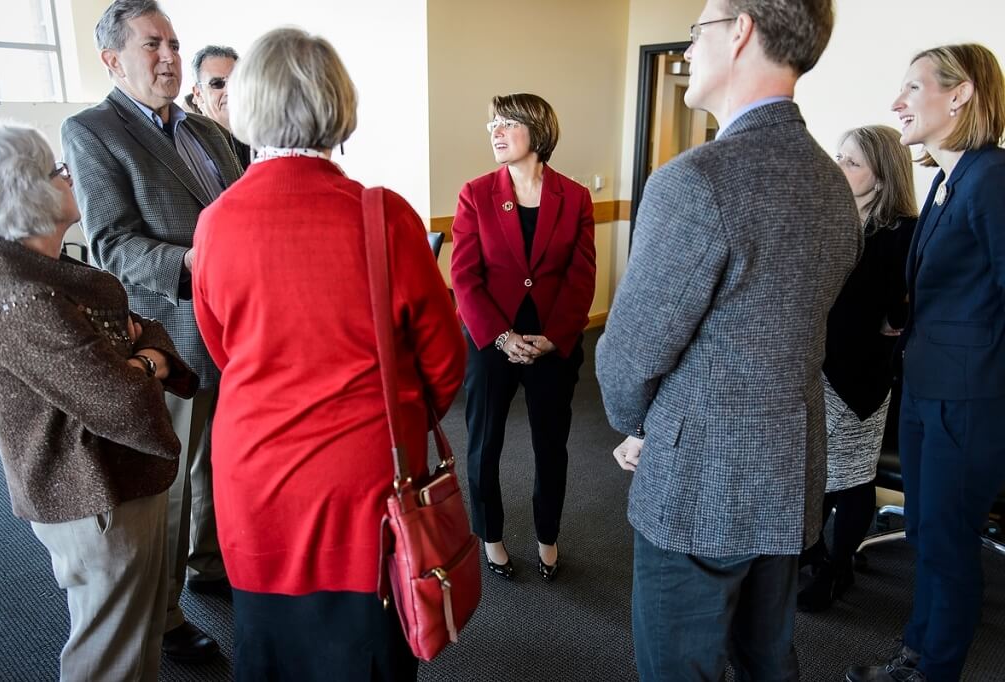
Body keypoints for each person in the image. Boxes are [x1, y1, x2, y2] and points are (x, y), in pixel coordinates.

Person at [596, 0, 862, 678]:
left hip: (698, 478)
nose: (687, 50)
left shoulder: (696, 181)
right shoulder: (834, 185)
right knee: (766, 659)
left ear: (740, 29)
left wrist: (638, 424)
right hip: (789, 469)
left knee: (679, 665)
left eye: (698, 29)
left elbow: (629, 355)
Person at [190, 28, 465, 681]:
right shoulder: (384, 216)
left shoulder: (216, 222)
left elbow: (223, 348)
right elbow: (446, 362)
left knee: (269, 649)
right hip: (363, 486)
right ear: (338, 107)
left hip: (253, 480)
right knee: (365, 652)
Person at [61, 0, 244, 662]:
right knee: (167, 483)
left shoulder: (209, 132)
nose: (168, 56)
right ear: (112, 60)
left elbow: (241, 210)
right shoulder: (92, 130)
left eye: (173, 42)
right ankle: (166, 617)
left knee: (219, 460)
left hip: (235, 326)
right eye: (151, 45)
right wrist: (196, 264)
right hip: (168, 330)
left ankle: (209, 564)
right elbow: (111, 243)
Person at [0, 123, 197, 680]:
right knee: (109, 654)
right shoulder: (21, 295)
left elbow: (144, 327)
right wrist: (149, 361)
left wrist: (138, 355)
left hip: (115, 480)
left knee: (137, 636)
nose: (69, 175)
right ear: (22, 191)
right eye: (56, 171)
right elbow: (121, 399)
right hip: (90, 492)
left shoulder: (51, 273)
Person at [846, 43, 1005, 682]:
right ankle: (916, 651)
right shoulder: (948, 180)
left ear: (961, 93)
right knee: (925, 535)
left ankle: (933, 671)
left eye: (912, 89)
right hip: (928, 386)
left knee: (946, 540)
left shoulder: (993, 177)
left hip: (967, 397)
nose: (897, 104)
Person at [450, 93, 595, 582]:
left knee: (551, 446)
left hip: (553, 347)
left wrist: (555, 337)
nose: (495, 130)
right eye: (491, 122)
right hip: (493, 343)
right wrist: (500, 336)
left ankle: (547, 537)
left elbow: (581, 277)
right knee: (483, 444)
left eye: (507, 122)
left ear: (538, 130)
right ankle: (490, 536)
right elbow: (465, 277)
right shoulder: (475, 193)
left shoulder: (574, 197)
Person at [797, 125, 917, 613]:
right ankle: (812, 552)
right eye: (839, 156)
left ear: (882, 174)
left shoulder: (900, 230)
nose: (838, 166)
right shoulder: (831, 216)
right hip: (814, 364)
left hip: (858, 375)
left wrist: (894, 319)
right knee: (812, 471)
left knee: (849, 477)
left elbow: (904, 302)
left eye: (851, 161)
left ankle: (837, 567)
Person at [191, 45, 251, 170]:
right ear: (198, 94)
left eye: (236, 81)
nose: (229, 91)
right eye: (217, 84)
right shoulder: (189, 145)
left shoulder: (263, 137)